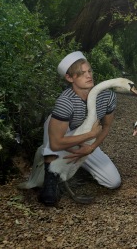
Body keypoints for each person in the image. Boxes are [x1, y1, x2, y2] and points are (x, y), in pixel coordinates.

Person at [39, 51, 121, 206]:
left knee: (113, 182)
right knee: (52, 126)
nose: (88, 75)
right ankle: (51, 176)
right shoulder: (65, 101)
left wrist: (91, 148)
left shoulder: (107, 96)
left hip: (87, 143)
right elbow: (56, 143)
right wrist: (90, 134)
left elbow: (107, 126)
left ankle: (80, 167)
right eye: (81, 73)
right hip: (63, 140)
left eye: (89, 71)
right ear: (70, 78)